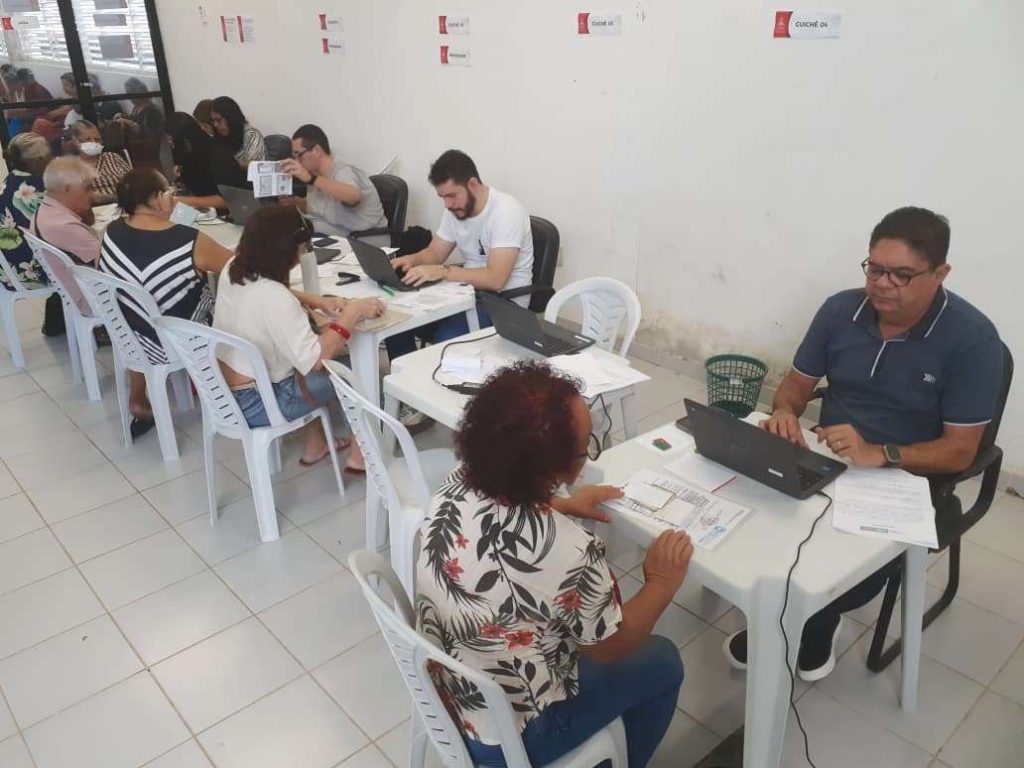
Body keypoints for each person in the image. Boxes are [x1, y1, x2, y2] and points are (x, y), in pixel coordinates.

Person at [723, 206, 1004, 681]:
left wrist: (882, 454)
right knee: (751, 516)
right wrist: (785, 412)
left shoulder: (973, 340)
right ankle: (781, 607)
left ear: (940, 274)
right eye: (875, 269)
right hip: (828, 455)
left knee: (845, 575)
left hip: (905, 476)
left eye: (901, 275)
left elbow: (960, 451)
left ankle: (815, 618)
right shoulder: (840, 310)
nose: (882, 285)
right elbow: (796, 385)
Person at [417, 361, 691, 768]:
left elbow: (502, 519)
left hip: (446, 694)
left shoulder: (457, 482)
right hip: (513, 737)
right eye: (585, 447)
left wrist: (559, 504)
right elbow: (610, 648)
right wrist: (661, 582)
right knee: (663, 660)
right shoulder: (571, 553)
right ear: (561, 468)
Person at [213, 204, 385, 469]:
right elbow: (315, 359)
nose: (302, 254)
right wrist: (353, 312)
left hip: (223, 390)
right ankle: (361, 456)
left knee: (292, 356)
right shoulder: (276, 299)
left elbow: (270, 294)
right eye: (302, 248)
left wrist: (315, 300)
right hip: (264, 401)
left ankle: (316, 445)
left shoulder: (233, 267)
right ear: (285, 252)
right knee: (358, 370)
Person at [100, 168, 233, 436]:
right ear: (158, 198)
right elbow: (239, 269)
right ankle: (234, 391)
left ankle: (138, 395)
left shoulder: (111, 231)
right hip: (180, 340)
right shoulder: (188, 240)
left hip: (131, 334)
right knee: (230, 302)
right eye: (170, 192)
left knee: (143, 304)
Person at [386, 150, 535, 362]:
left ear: (472, 184)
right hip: (464, 293)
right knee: (396, 321)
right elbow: (435, 252)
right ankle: (405, 378)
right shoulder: (455, 210)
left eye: (451, 195)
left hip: (504, 304)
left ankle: (435, 381)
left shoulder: (506, 211)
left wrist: (443, 271)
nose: (447, 204)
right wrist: (411, 260)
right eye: (442, 197)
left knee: (447, 339)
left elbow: (495, 279)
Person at [281, 123, 385, 237]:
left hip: (364, 237)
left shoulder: (343, 171)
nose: (297, 161)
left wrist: (311, 179)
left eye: (299, 155)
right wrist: (295, 202)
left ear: (316, 150)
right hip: (333, 232)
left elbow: (353, 196)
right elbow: (314, 208)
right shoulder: (314, 175)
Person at [164, 112, 247, 210]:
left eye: (172, 140)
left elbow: (228, 199)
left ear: (184, 140)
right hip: (201, 211)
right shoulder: (187, 155)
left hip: (226, 213)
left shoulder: (217, 155)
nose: (171, 144)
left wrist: (183, 201)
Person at [0, 133, 51, 292]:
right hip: (32, 270)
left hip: (8, 270)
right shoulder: (37, 188)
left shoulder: (10, 180)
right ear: (39, 159)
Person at [65, 120, 130, 204]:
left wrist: (110, 198)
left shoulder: (112, 157)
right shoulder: (69, 167)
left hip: (123, 204)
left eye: (97, 139)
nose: (94, 143)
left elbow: (133, 182)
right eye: (88, 139)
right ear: (76, 141)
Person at [210, 96, 266, 166]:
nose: (215, 125)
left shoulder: (252, 135)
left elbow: (253, 166)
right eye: (213, 121)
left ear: (230, 118)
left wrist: (228, 163)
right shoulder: (218, 135)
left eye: (218, 120)